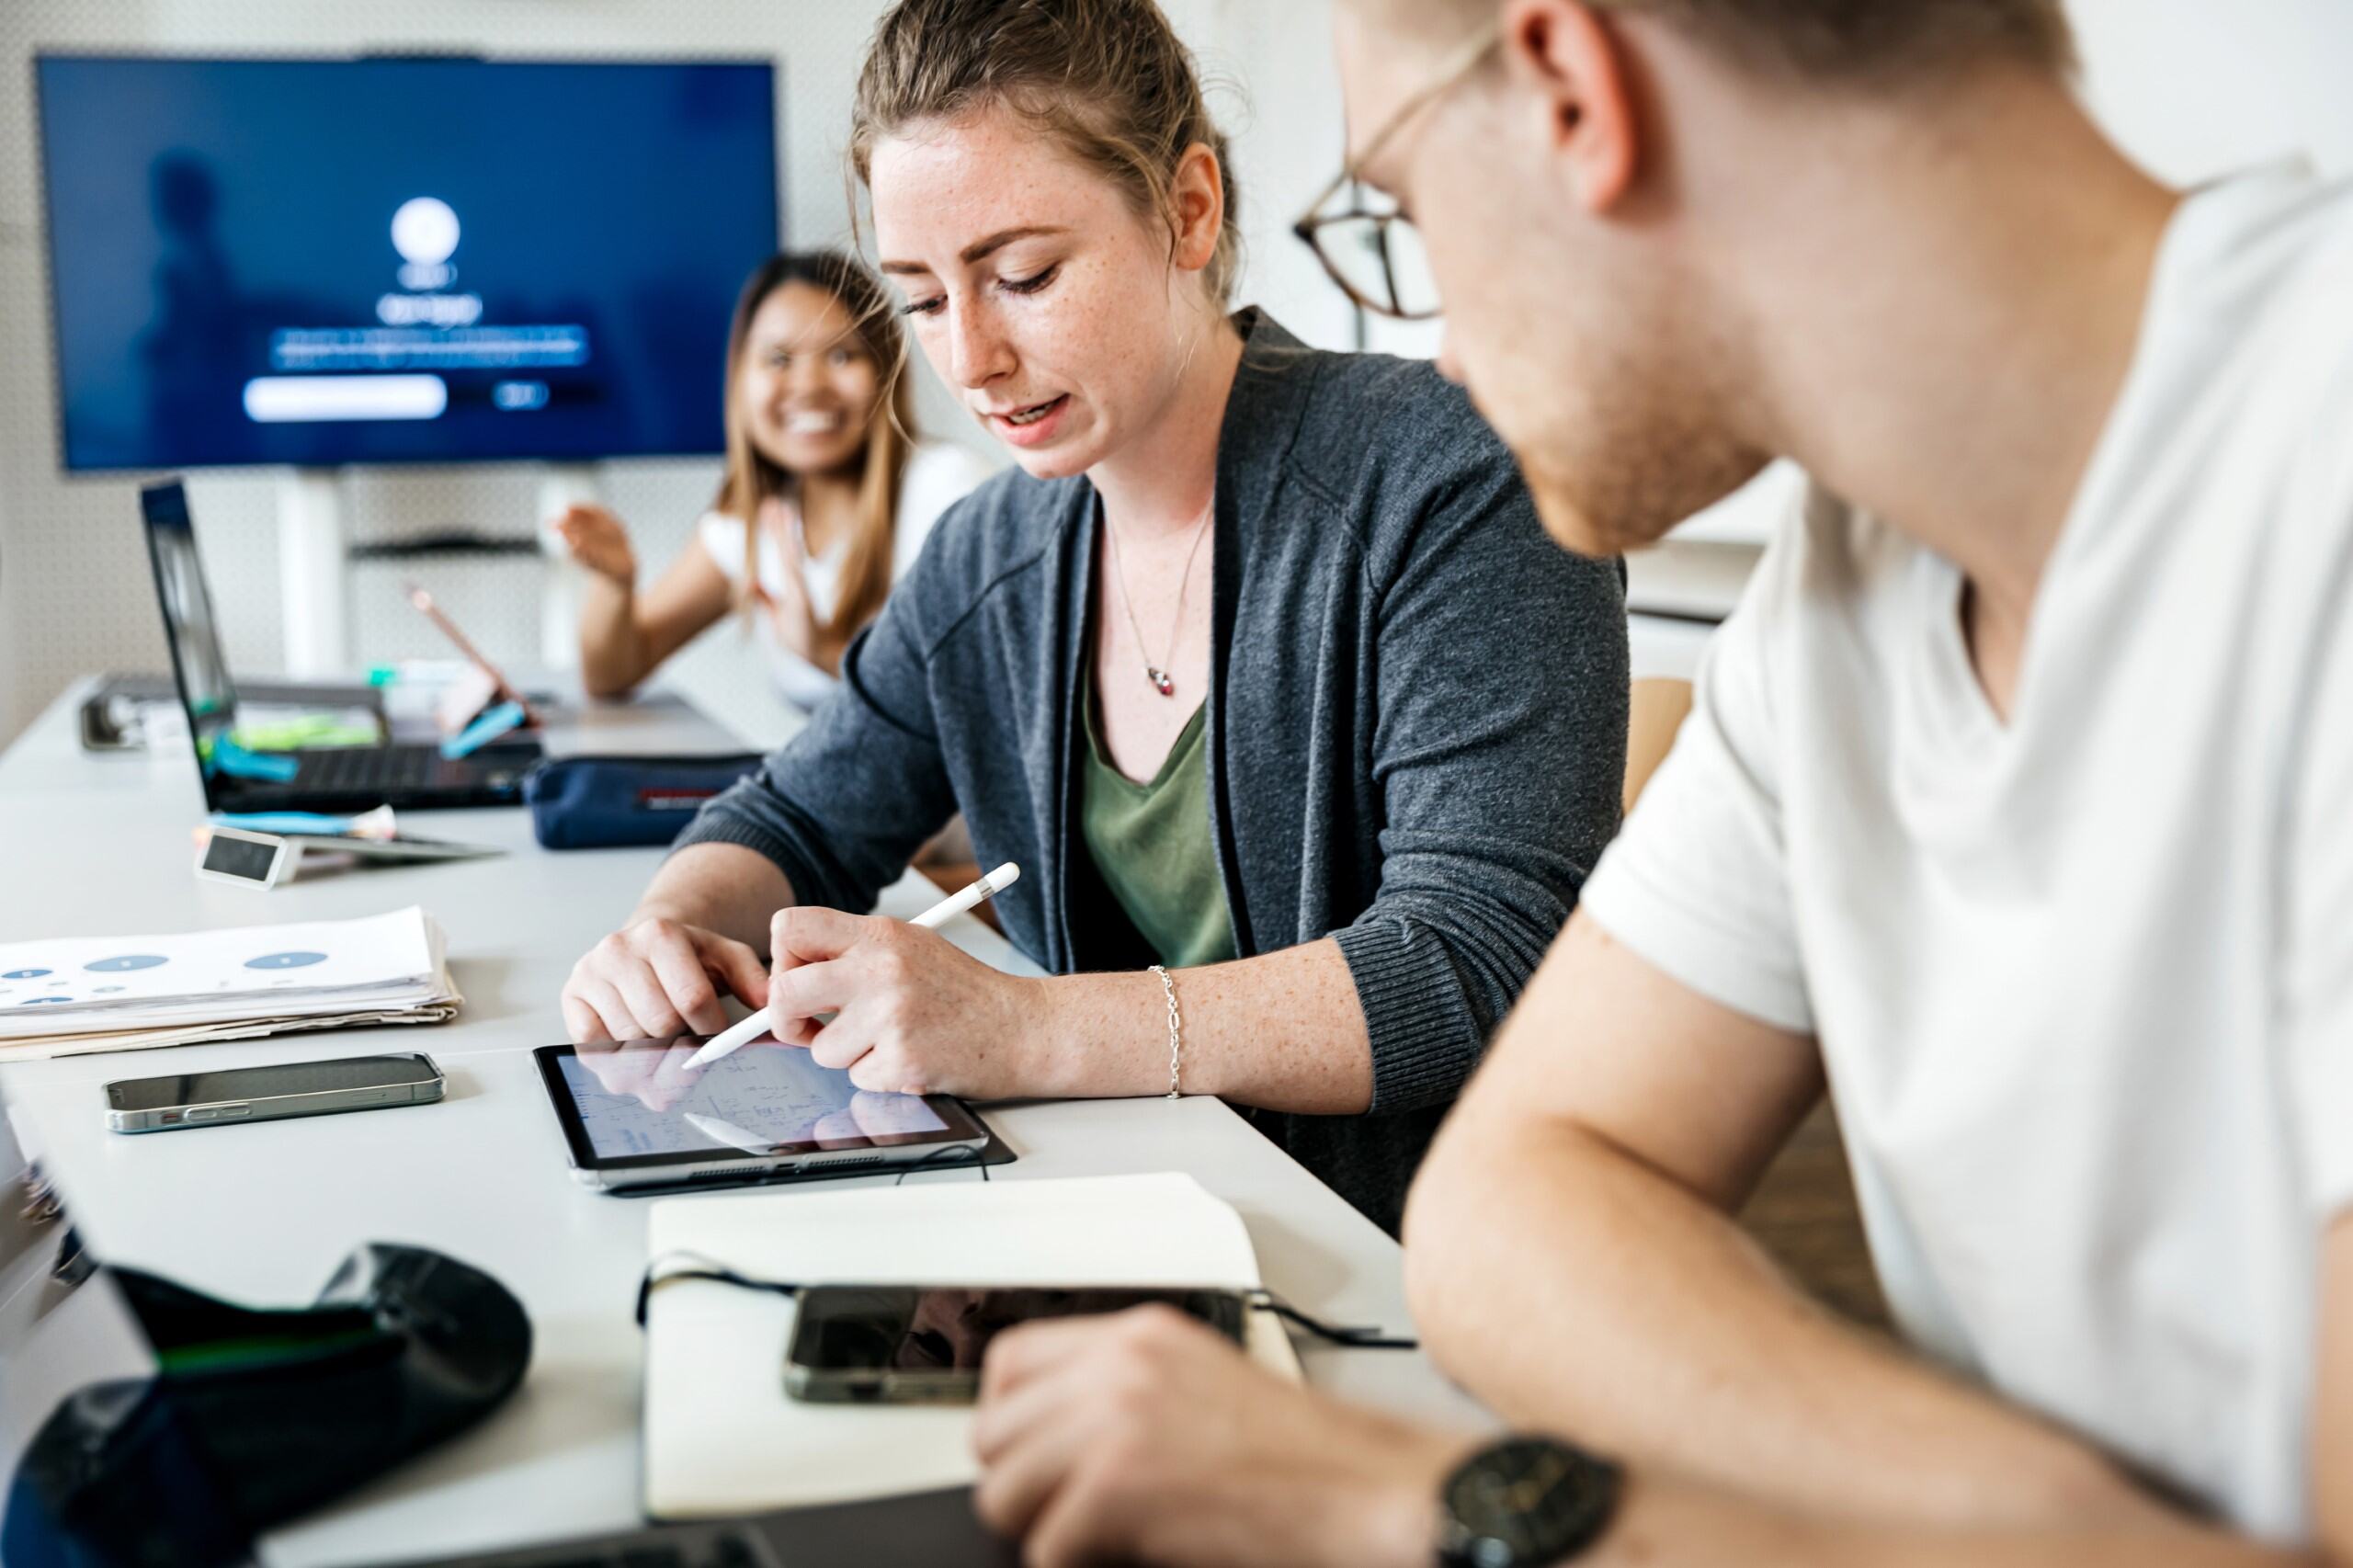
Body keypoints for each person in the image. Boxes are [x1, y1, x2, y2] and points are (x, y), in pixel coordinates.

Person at [962, 1, 2353, 1564]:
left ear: (1574, 89)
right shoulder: (1847, 592)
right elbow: (1511, 1211)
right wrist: (2060, 1525)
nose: (1453, 353)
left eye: (1407, 213)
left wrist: (1391, 1505)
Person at [557, 0, 1629, 1233]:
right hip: (1129, 1236)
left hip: (1399, 1263)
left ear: (1189, 209)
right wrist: (668, 927)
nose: (969, 360)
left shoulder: (1441, 478)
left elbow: (1476, 962)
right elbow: (798, 813)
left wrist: (1024, 1026)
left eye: (1024, 276)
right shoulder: (991, 557)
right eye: (918, 298)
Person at [555, 249, 994, 711]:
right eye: (779, 359)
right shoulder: (752, 525)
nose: (808, 386)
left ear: (885, 369)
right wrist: (615, 583)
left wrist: (826, 654)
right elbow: (612, 673)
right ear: (741, 380)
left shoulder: (950, 491)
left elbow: (983, 707)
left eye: (842, 355)